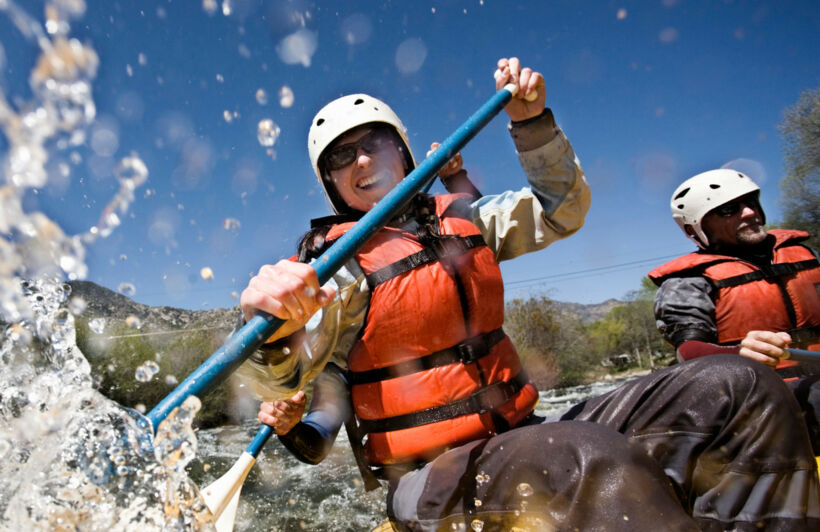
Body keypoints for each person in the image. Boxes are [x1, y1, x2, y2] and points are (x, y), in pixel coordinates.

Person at [238, 58, 820, 530]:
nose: (362, 159)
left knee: (740, 385)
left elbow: (561, 211)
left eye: (375, 142)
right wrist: (272, 327)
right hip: (428, 478)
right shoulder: (332, 269)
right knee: (580, 455)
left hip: (525, 431)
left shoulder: (462, 221)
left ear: (405, 152)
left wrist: (533, 123)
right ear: (332, 183)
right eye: (342, 156)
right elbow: (290, 376)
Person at [648, 168, 820, 450]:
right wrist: (738, 353)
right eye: (729, 210)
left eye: (751, 202)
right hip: (759, 405)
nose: (750, 213)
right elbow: (689, 350)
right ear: (696, 228)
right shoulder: (686, 283)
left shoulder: (807, 255)